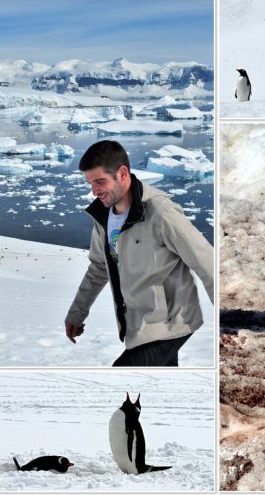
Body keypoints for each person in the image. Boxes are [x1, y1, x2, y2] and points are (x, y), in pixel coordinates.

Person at [64, 140, 214, 366]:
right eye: (90, 183)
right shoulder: (103, 218)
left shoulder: (160, 213)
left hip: (170, 323)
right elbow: (98, 268)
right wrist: (76, 314)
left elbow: (206, 261)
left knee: (122, 375)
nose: (94, 191)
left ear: (122, 173)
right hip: (138, 325)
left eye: (100, 181)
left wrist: (229, 319)